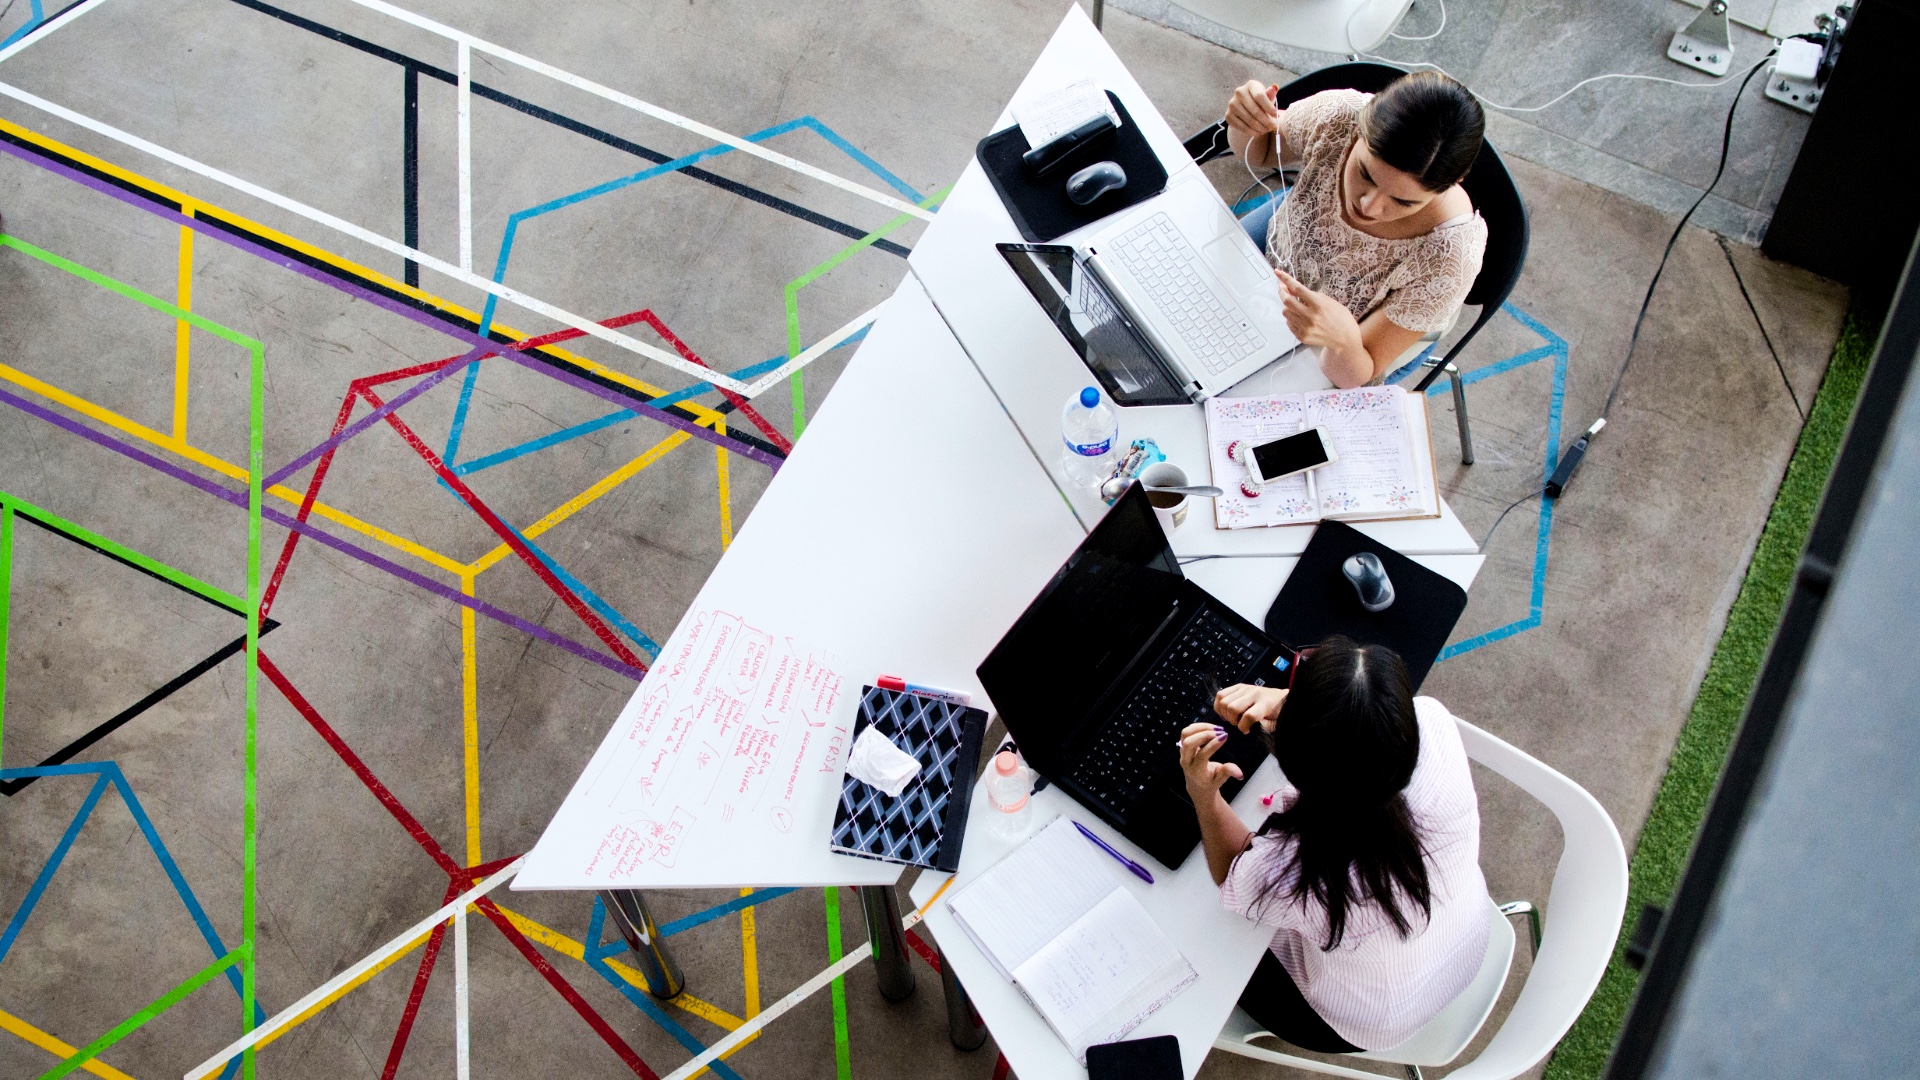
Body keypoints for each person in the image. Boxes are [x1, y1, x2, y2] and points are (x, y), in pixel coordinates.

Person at [1178, 636, 1489, 1053]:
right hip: (1464, 946)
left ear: (1290, 762)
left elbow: (1232, 872)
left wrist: (1203, 794)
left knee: (1205, 932)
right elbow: (1368, 732)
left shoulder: (1295, 873)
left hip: (1354, 1021)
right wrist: (1301, 704)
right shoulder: (1431, 722)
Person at [1224, 72, 1488, 389]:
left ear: (1449, 186)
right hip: (1277, 246)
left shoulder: (1450, 258)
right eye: (1365, 173)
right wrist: (1245, 122)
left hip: (1350, 347)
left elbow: (1356, 374)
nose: (1368, 205)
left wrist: (1342, 340)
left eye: (1402, 201)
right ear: (1358, 129)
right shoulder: (1338, 116)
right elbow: (1260, 152)